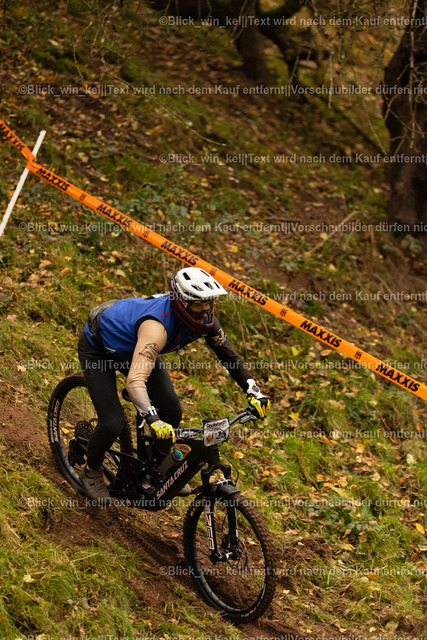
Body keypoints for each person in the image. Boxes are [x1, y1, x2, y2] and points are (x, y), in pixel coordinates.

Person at [78, 267, 270, 503]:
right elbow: (135, 382)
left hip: (137, 347)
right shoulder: (156, 327)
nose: (206, 310)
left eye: (209, 302)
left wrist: (253, 390)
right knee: (113, 422)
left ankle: (157, 470)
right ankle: (92, 471)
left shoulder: (206, 321)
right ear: (181, 303)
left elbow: (229, 357)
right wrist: (152, 419)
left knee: (171, 410)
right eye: (198, 304)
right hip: (100, 348)